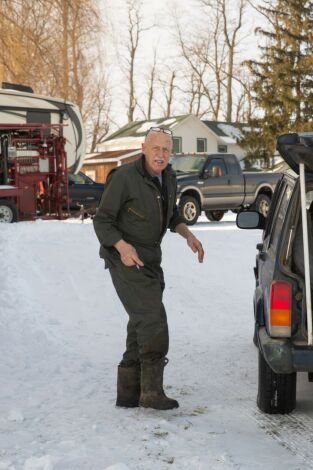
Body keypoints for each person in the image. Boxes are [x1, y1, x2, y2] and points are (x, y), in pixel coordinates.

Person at [93, 127, 204, 410]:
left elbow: (173, 214)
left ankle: (128, 393)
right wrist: (122, 247)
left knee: (140, 321)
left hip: (151, 260)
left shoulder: (168, 177)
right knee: (153, 320)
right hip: (125, 259)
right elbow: (103, 220)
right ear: (144, 148)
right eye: (156, 148)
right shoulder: (125, 178)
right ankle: (151, 393)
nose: (161, 154)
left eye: (166, 149)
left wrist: (187, 234)